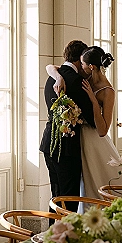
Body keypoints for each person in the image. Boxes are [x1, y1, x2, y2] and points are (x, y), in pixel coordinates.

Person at [46, 46, 122, 199]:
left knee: (96, 182)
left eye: (82, 63)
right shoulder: (84, 78)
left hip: (93, 140)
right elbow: (51, 67)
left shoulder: (108, 91)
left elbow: (103, 130)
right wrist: (58, 77)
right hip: (77, 140)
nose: (79, 66)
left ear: (91, 67)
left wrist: (93, 100)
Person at [39, 40, 95, 213]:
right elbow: (93, 120)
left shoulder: (53, 77)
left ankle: (52, 237)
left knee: (55, 197)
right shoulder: (78, 82)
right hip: (67, 150)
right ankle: (64, 238)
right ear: (80, 59)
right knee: (68, 200)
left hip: (49, 145)